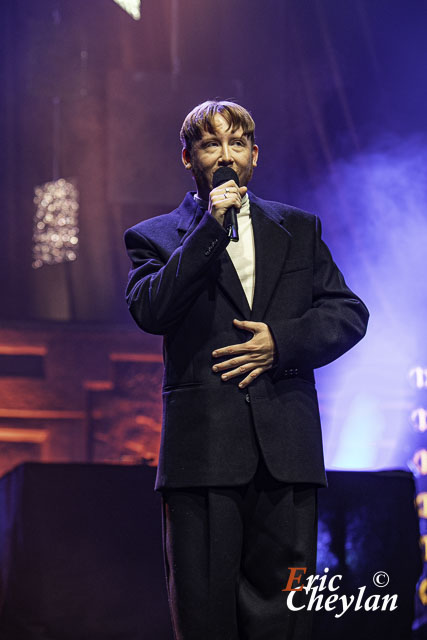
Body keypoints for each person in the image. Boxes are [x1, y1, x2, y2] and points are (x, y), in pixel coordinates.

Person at [124, 100, 369, 640]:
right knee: (204, 617)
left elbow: (348, 313)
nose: (225, 155)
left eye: (237, 144)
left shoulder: (298, 228)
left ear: (254, 156)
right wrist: (209, 229)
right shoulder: (156, 237)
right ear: (188, 158)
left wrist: (280, 342)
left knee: (284, 617)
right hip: (203, 455)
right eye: (211, 144)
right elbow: (150, 310)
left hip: (288, 453)